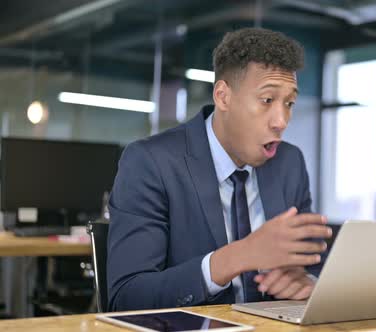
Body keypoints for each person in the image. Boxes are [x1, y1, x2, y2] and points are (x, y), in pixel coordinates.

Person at [107, 27, 332, 311]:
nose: (281, 120)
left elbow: (313, 260)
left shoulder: (289, 163)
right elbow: (126, 297)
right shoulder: (151, 162)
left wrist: (306, 281)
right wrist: (237, 257)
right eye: (267, 100)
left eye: (289, 103)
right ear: (223, 97)